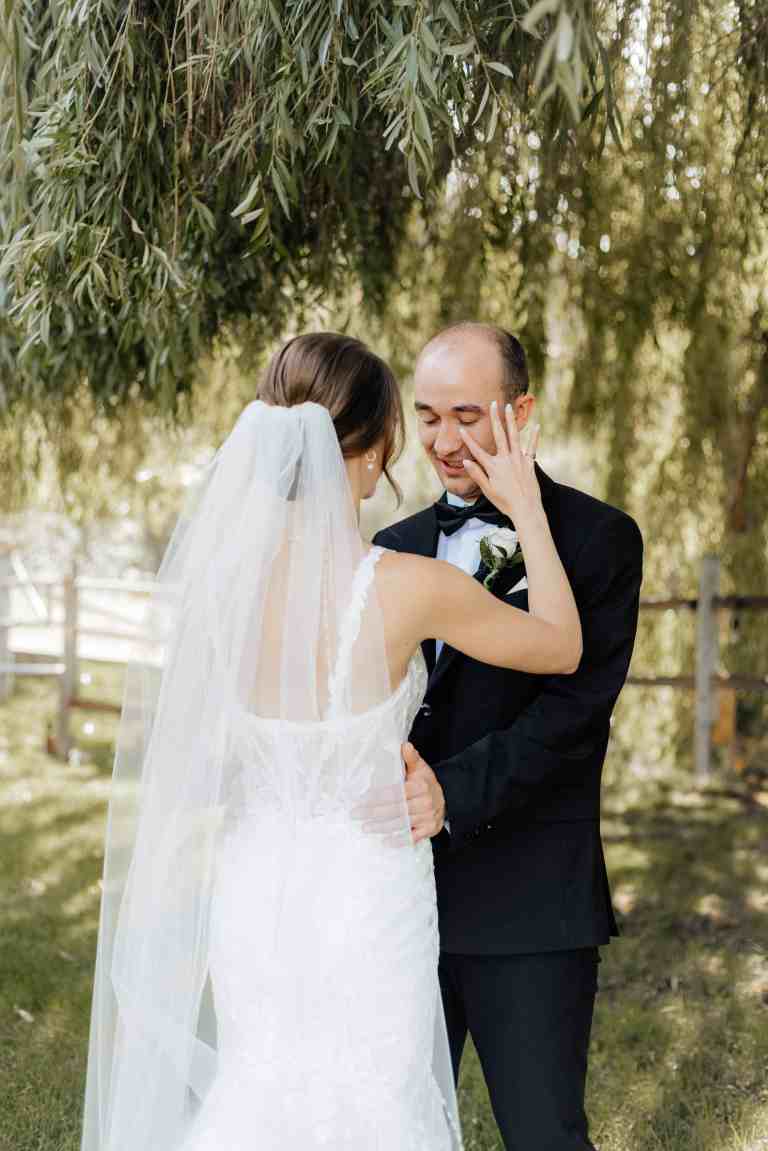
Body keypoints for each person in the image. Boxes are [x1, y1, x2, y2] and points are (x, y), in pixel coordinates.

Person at [80, 332, 581, 1151]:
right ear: (378, 444)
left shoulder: (218, 588)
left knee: (260, 1083)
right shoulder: (408, 587)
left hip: (254, 883)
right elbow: (561, 644)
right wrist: (526, 506)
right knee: (373, 1100)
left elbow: (203, 760)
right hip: (365, 887)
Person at [374, 322, 644, 1151]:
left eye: (466, 415)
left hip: (531, 902)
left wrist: (450, 791)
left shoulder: (599, 540)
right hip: (395, 896)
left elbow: (572, 719)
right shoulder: (392, 548)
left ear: (519, 412)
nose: (443, 441)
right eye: (428, 416)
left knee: (543, 1134)